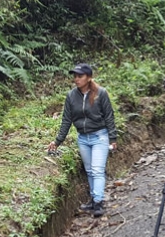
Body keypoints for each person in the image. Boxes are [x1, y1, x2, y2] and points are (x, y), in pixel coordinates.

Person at [47, 63, 118, 217]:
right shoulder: (71, 96)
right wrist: (57, 141)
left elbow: (109, 116)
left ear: (89, 77)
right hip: (83, 138)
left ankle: (98, 202)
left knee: (98, 169)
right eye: (75, 76)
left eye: (80, 76)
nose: (76, 79)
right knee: (90, 171)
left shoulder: (101, 93)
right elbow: (66, 120)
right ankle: (93, 200)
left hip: (100, 136)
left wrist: (112, 137)